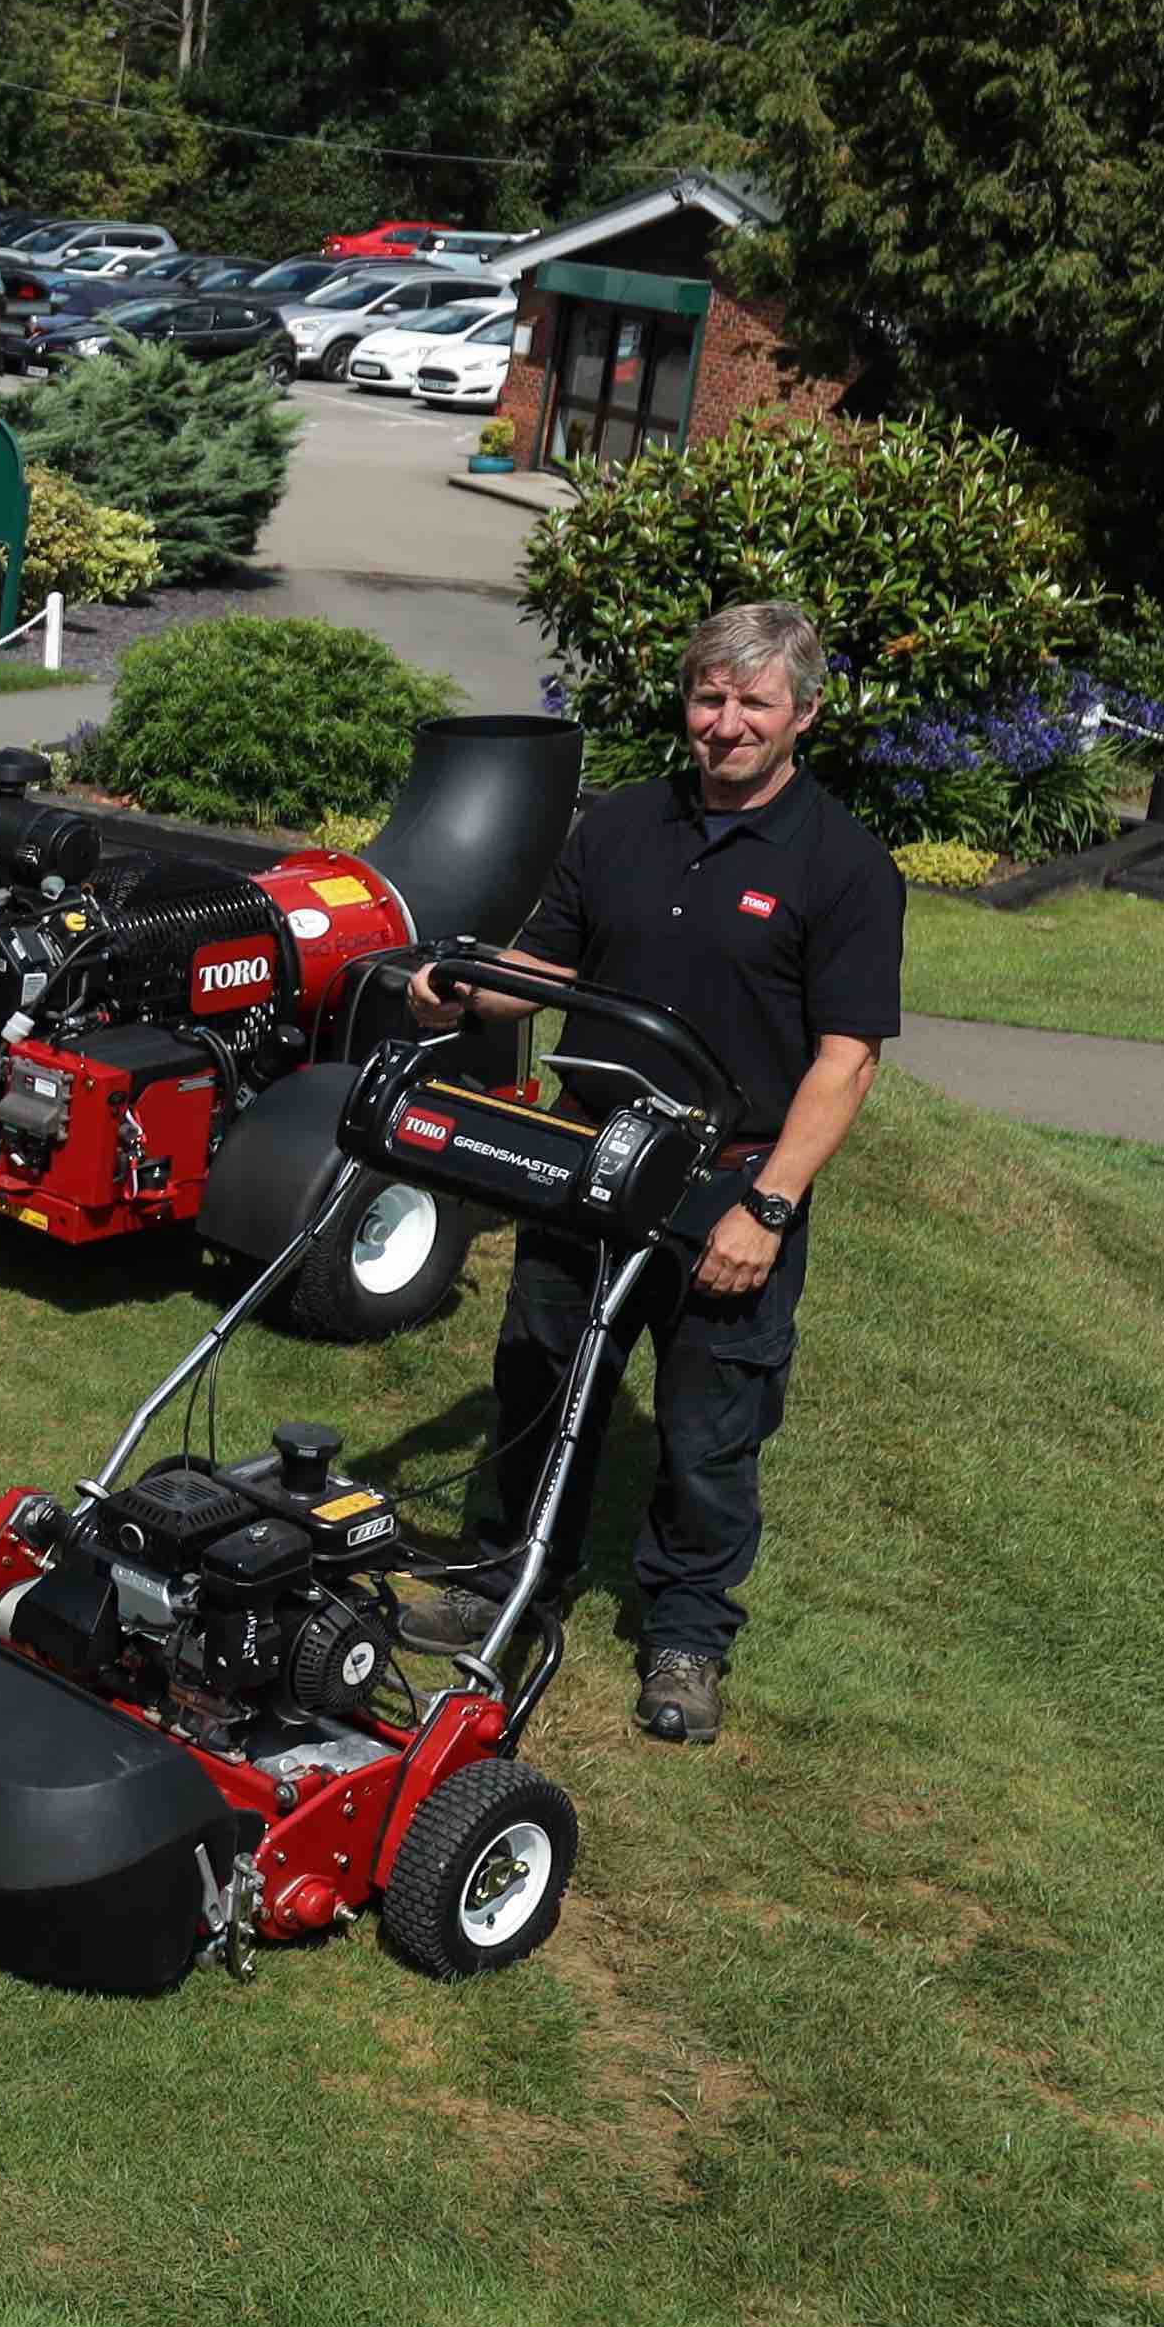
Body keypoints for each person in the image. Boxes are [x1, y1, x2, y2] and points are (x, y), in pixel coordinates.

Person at [411, 597, 902, 1748]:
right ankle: (502, 1579)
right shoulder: (620, 823)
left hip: (723, 1181)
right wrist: (463, 983)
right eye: (707, 696)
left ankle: (684, 1635)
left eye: (752, 702)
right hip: (583, 1152)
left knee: (707, 1423)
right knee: (537, 1372)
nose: (724, 723)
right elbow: (547, 963)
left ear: (804, 716)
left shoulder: (842, 865)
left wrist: (766, 1207)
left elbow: (845, 1059)